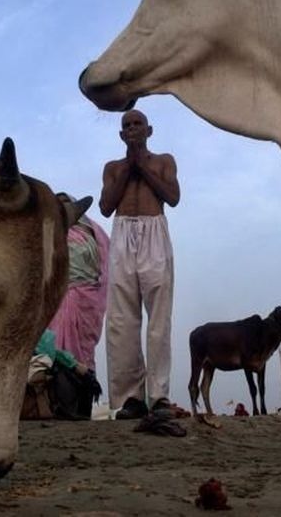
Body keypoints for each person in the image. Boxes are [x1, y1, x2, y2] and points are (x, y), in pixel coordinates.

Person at [99, 109, 180, 420]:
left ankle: (159, 396)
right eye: (127, 125)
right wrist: (129, 165)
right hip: (122, 234)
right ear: (121, 135)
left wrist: (141, 166)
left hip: (154, 232)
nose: (132, 128)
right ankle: (131, 398)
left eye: (137, 124)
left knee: (159, 316)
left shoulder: (164, 161)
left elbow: (173, 197)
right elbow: (106, 206)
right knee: (121, 319)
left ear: (149, 130)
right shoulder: (112, 168)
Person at [48, 215, 111, 370]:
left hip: (86, 301)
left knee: (83, 358)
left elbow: (105, 270)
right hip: (56, 301)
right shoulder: (46, 230)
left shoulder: (94, 232)